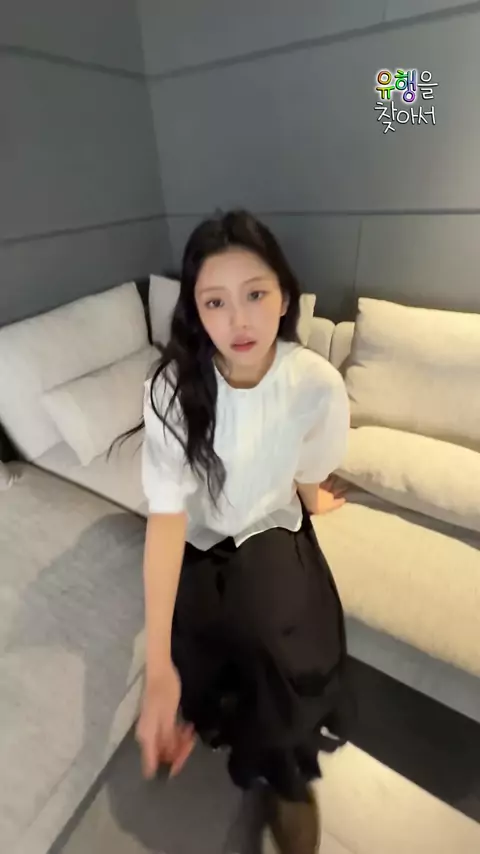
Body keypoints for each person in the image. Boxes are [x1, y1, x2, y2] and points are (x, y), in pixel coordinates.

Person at [135, 210, 351, 854]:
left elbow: (308, 467)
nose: (239, 320)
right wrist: (155, 671)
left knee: (276, 643)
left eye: (255, 294)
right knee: (201, 637)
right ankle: (233, 733)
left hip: (270, 524)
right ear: (196, 312)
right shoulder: (171, 389)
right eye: (215, 302)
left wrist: (312, 499)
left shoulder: (314, 383)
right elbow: (166, 514)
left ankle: (286, 779)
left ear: (284, 296)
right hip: (201, 536)